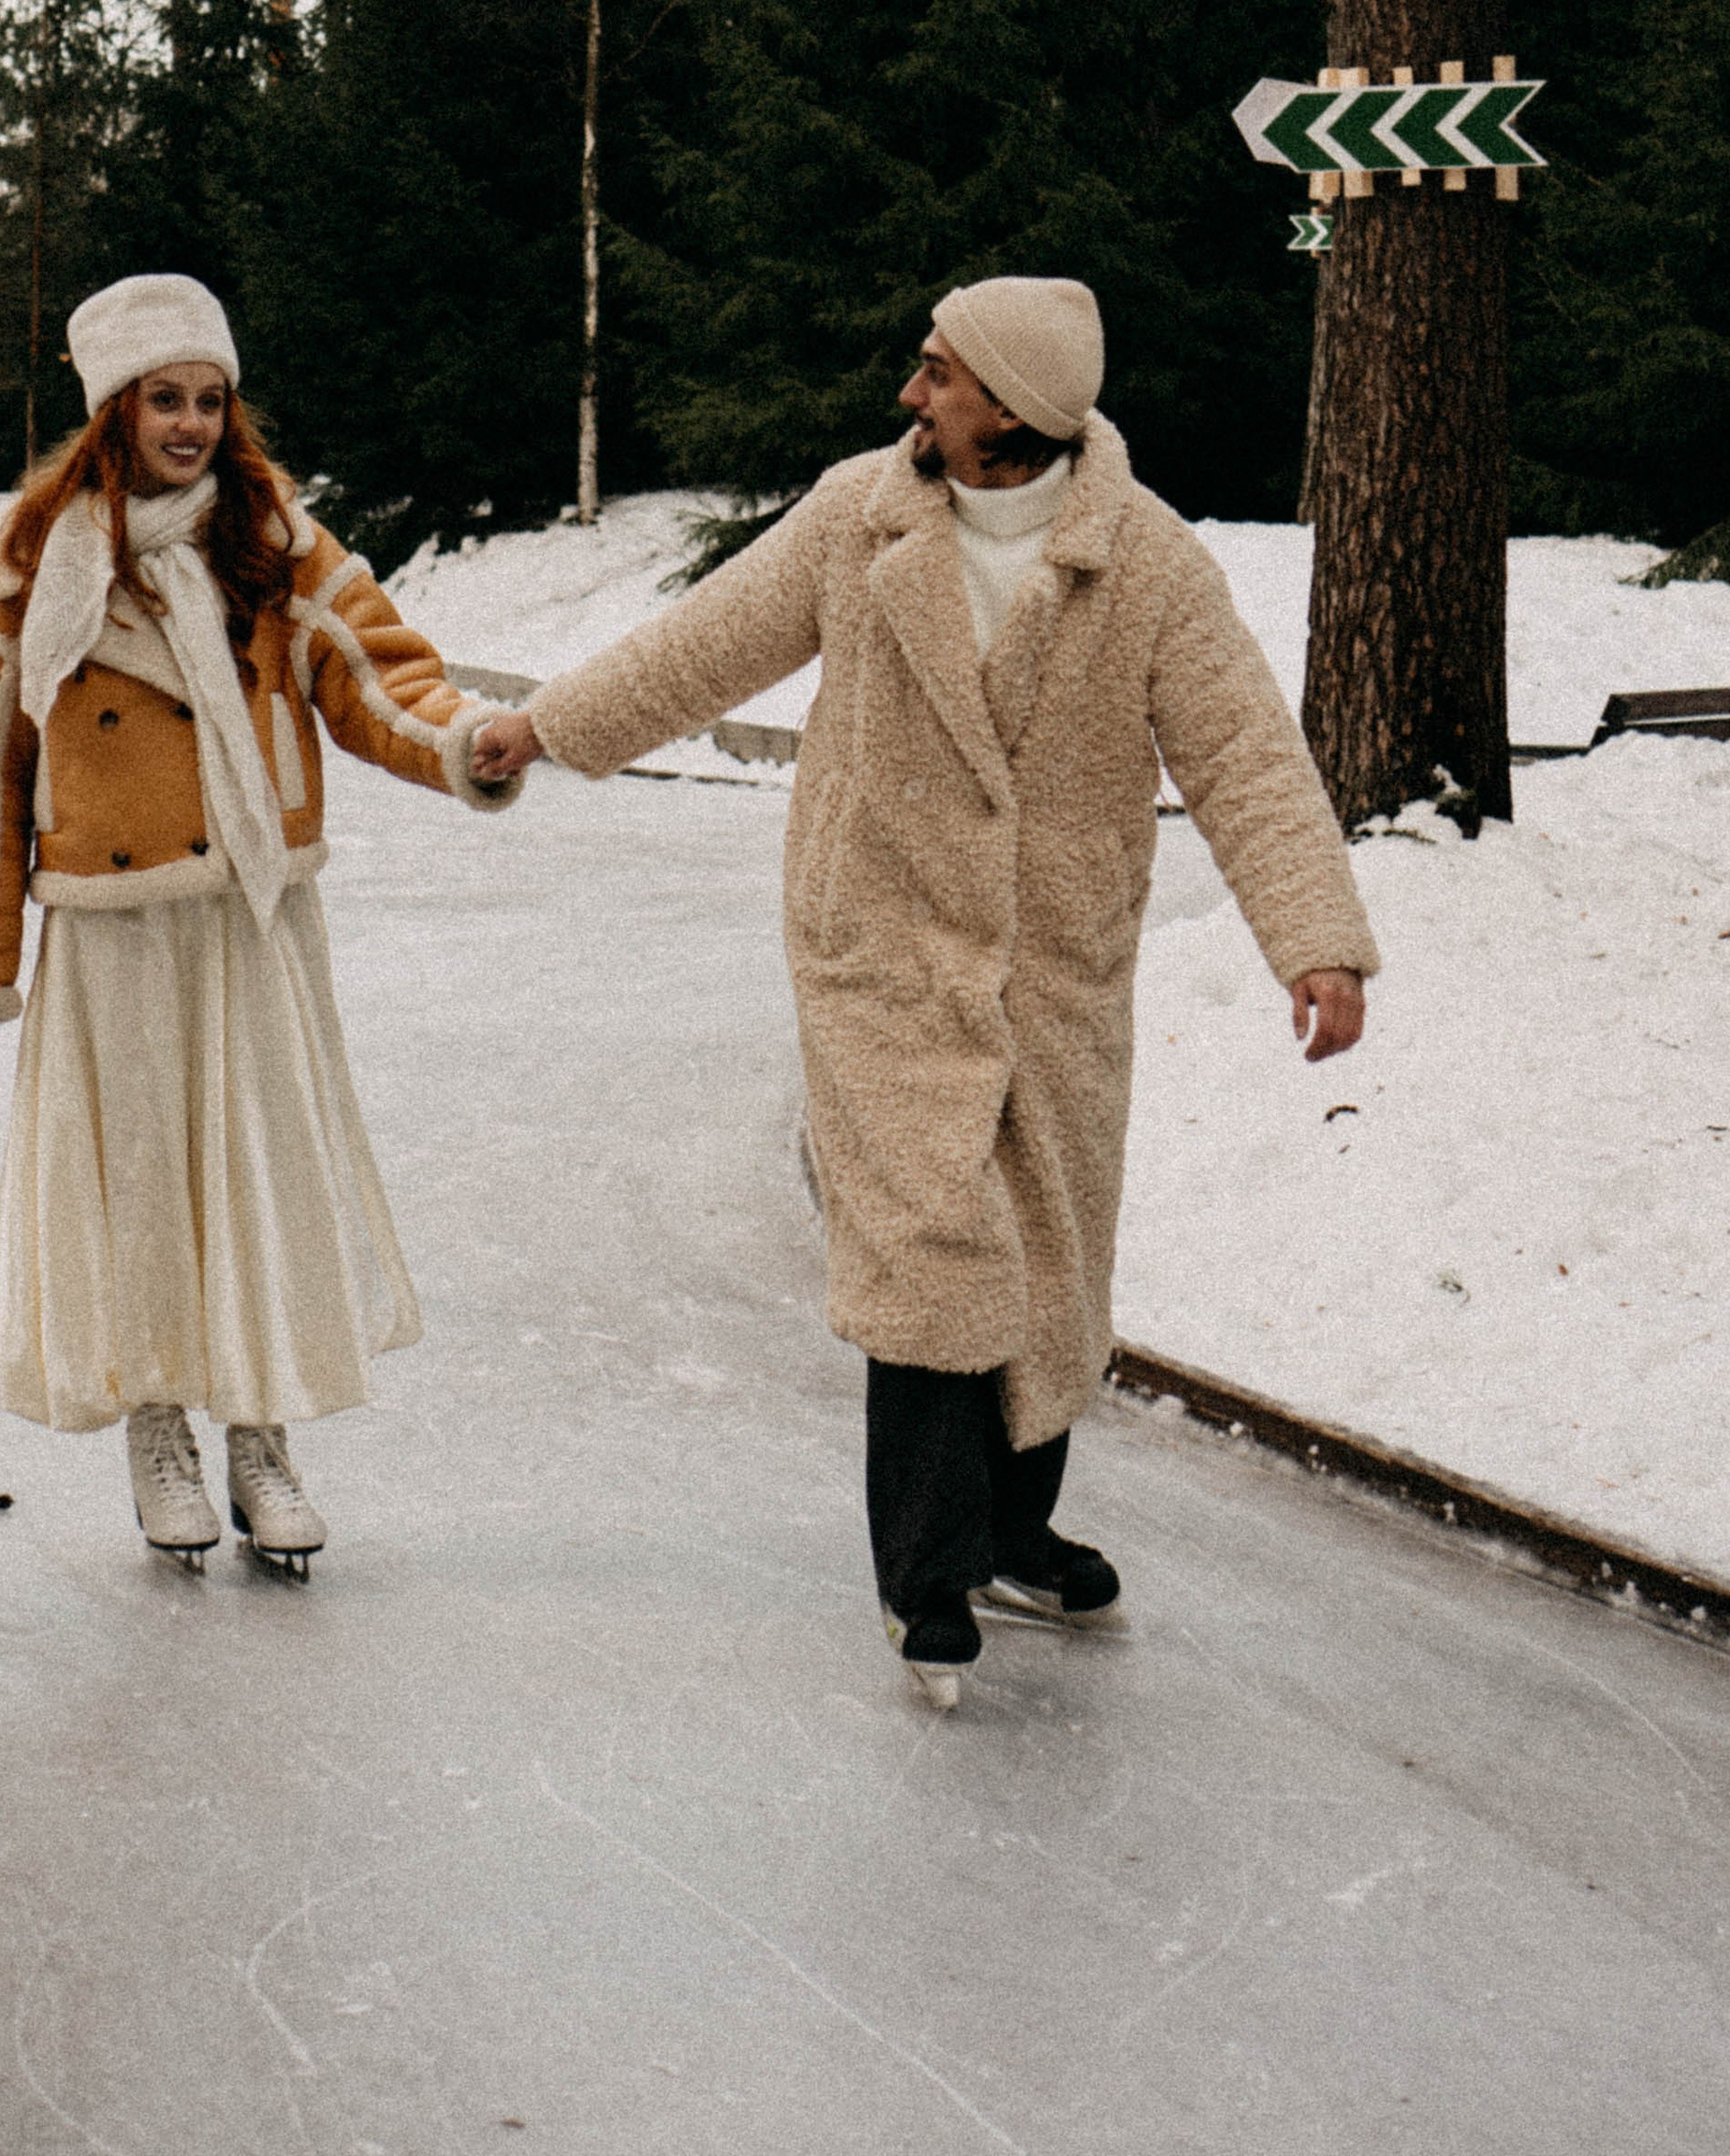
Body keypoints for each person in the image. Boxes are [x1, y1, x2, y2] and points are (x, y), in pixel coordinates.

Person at [470, 276, 1376, 1707]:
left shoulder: (1144, 562)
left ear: (1013, 405)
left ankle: (1014, 1528)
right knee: (929, 1250)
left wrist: (1314, 936)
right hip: (879, 947)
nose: (911, 394)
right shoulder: (859, 516)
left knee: (1048, 1248)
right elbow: (708, 642)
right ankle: (925, 1569)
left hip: (1054, 963)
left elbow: (1247, 754)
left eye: (938, 374)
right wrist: (546, 726)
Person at [0, 273, 520, 1577]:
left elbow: (375, 676)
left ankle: (259, 1439)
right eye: (164, 400)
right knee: (140, 1182)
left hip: (251, 912)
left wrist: (463, 740)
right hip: (114, 924)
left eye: (210, 399)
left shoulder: (273, 538)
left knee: (255, 1170)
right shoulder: (40, 561)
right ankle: (158, 1431)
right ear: (112, 412)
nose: (190, 425)